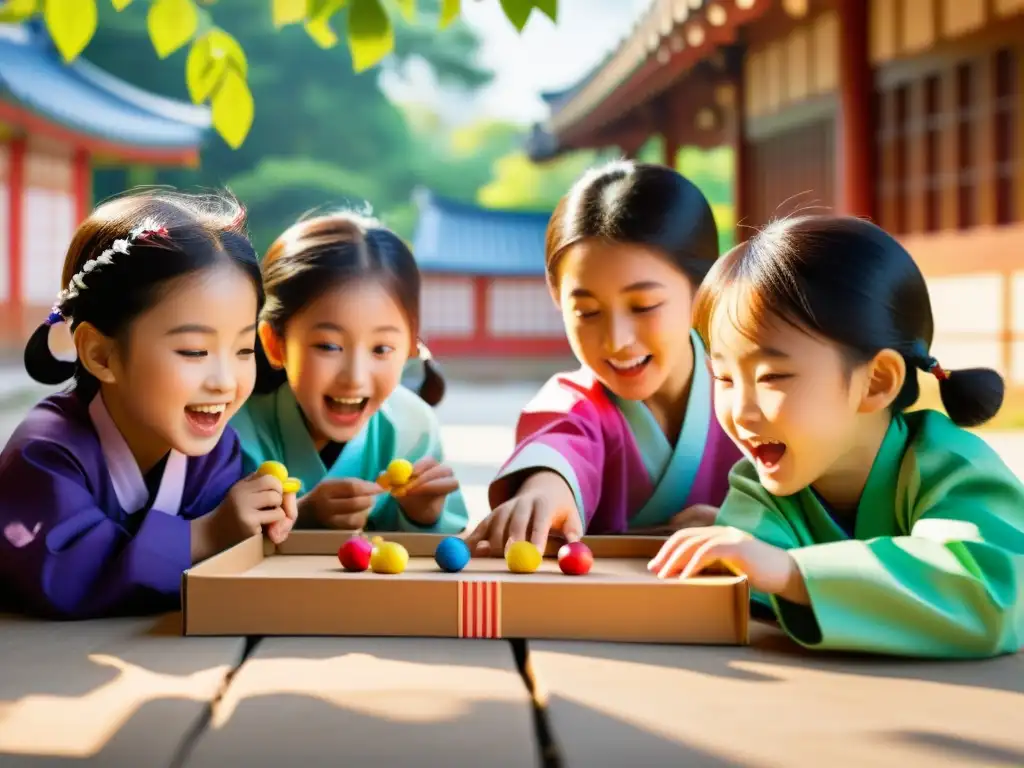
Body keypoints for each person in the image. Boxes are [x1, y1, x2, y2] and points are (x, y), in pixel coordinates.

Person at [648, 214, 1024, 659]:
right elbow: (747, 579)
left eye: (772, 376)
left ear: (877, 381)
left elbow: (989, 593)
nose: (740, 411)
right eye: (725, 378)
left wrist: (791, 572)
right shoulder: (760, 484)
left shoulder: (954, 466)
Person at [0, 190, 296, 620]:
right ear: (101, 354)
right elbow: (63, 574)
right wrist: (208, 534)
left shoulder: (217, 455)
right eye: (194, 351)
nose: (225, 382)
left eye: (244, 349)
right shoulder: (44, 453)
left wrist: (265, 521)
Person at [467, 160, 743, 555]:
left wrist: (750, 528)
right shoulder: (571, 403)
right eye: (587, 312)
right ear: (556, 296)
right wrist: (544, 489)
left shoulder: (753, 391)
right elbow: (559, 444)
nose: (616, 341)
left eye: (644, 305)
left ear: (702, 288)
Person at [230, 212, 469, 534]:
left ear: (411, 346)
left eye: (381, 349)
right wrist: (300, 518)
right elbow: (211, 549)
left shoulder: (414, 427)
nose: (355, 377)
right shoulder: (235, 429)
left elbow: (441, 552)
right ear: (275, 343)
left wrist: (423, 516)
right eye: (329, 346)